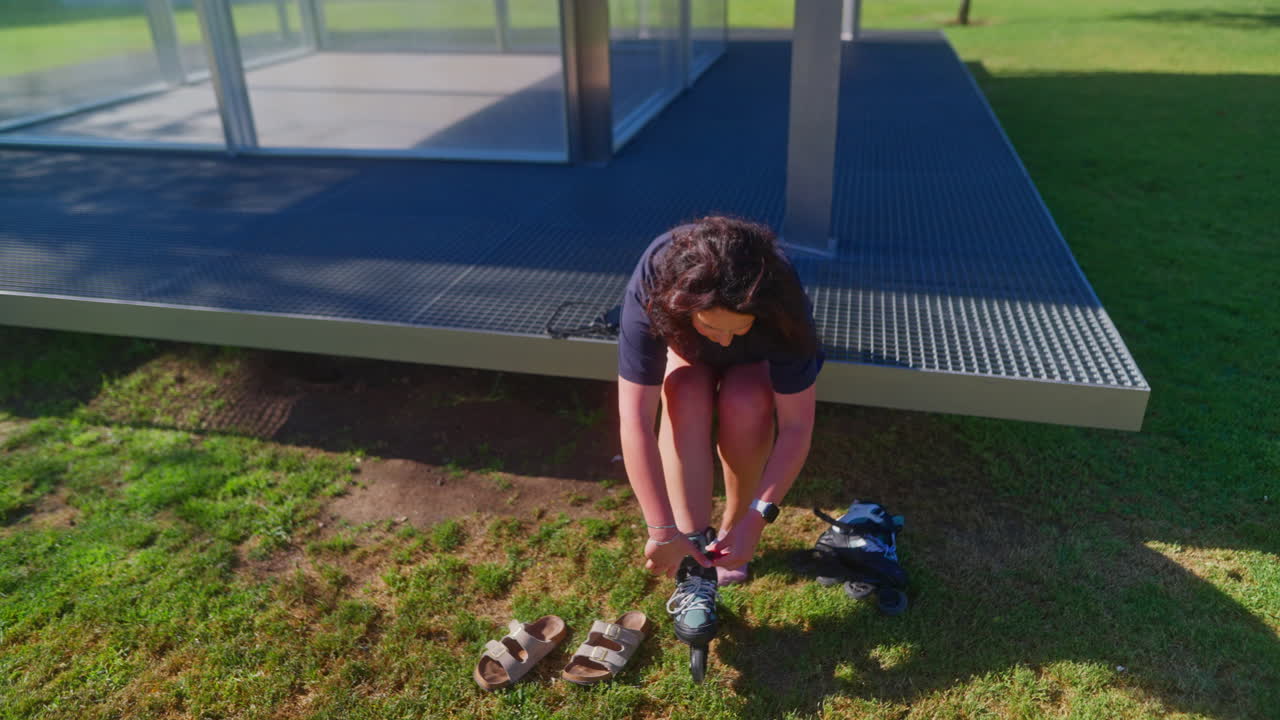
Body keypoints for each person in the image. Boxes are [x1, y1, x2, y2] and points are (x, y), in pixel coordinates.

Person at [617, 216, 824, 606]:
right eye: (714, 328)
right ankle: (692, 543)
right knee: (684, 392)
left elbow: (797, 426)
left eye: (737, 329)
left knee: (745, 401)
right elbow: (636, 419)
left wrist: (756, 520)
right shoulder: (652, 284)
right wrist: (660, 530)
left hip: (757, 360)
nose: (725, 341)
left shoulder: (782, 300)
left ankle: (732, 529)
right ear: (682, 304)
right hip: (685, 350)